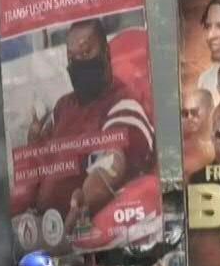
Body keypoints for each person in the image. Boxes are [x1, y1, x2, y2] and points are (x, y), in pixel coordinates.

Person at [10, 18, 156, 233]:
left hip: (78, 231)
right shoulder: (64, 106)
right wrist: (34, 140)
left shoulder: (123, 103)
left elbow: (112, 160)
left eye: (86, 53)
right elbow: (40, 159)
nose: (78, 62)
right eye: (72, 57)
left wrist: (84, 203)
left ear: (106, 53)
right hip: (39, 226)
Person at [181, 88, 216, 174]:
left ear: (210, 110)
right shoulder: (184, 148)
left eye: (194, 112)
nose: (189, 118)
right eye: (185, 113)